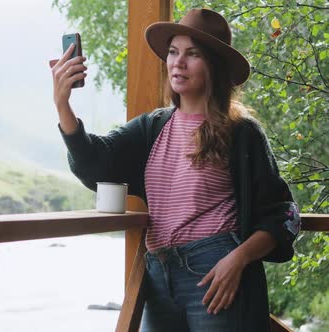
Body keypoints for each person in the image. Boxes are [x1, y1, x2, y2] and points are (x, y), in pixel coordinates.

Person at [51, 8, 301, 332]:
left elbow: (285, 214)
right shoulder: (152, 128)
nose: (177, 63)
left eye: (192, 54)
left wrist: (237, 260)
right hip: (158, 275)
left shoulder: (242, 134)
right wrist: (63, 105)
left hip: (216, 275)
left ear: (214, 65)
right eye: (173, 52)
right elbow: (96, 162)